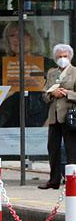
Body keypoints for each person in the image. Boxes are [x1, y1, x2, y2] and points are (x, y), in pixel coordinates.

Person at [39, 44, 76, 190]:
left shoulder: (74, 72)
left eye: (65, 56)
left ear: (70, 57)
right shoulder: (52, 73)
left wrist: (66, 93)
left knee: (71, 148)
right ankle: (54, 180)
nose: (62, 59)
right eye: (59, 57)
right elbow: (44, 94)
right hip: (53, 117)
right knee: (53, 148)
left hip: (69, 116)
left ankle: (72, 179)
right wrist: (51, 94)